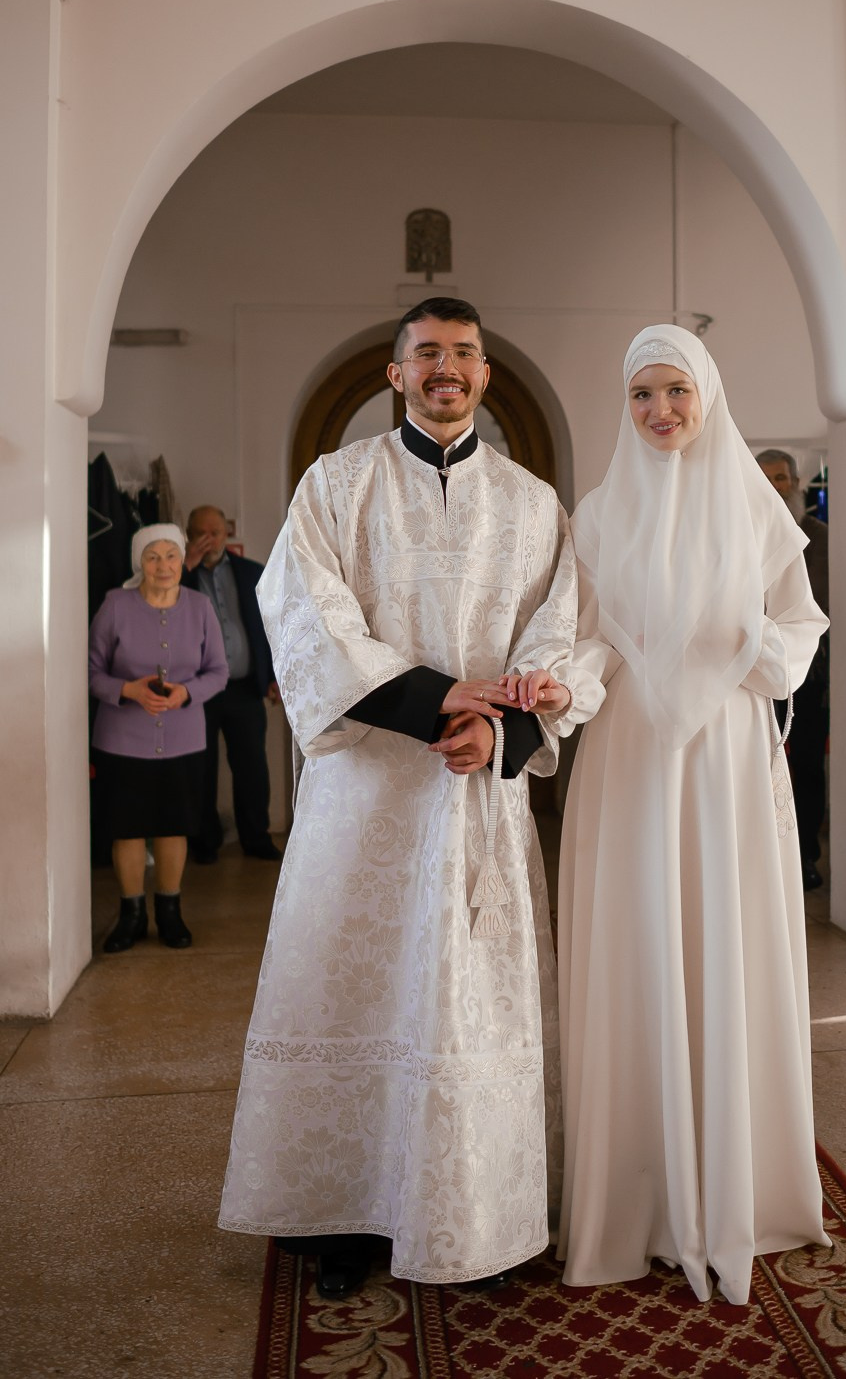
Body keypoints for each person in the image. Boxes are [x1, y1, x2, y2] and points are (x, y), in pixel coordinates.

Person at [218, 297, 600, 1298]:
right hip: (366, 795)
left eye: (463, 354)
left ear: (482, 373)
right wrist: (438, 703)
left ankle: (472, 1212)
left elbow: (558, 633)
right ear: (394, 374)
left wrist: (504, 724)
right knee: (352, 990)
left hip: (476, 801)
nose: (447, 368)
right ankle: (338, 1213)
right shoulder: (335, 486)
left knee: (465, 1003)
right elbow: (306, 618)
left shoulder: (529, 503)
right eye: (426, 353)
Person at [514, 324, 830, 1305]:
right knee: (637, 951)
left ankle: (737, 1186)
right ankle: (637, 1193)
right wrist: (564, 686)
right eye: (642, 394)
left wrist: (751, 646)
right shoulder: (596, 517)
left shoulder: (758, 515)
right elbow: (590, 638)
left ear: (707, 398)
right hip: (628, 763)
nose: (659, 411)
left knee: (721, 947)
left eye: (675, 392)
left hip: (727, 759)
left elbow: (797, 629)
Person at [88, 524, 229, 952]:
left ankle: (170, 911)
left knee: (173, 825)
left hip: (184, 737)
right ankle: (131, 915)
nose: (163, 565)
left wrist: (188, 693)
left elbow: (218, 672)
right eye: (153, 556)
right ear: (139, 563)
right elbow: (91, 670)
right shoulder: (115, 605)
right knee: (126, 829)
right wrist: (127, 690)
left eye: (171, 555)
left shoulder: (201, 606)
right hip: (121, 738)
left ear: (181, 559)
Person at [182, 505, 283, 863]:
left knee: (252, 768)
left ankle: (256, 838)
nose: (211, 539)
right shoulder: (179, 573)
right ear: (190, 534)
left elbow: (269, 630)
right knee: (201, 768)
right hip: (195, 690)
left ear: (227, 534)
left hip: (243, 687)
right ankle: (203, 842)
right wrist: (186, 567)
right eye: (202, 533)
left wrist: (272, 676)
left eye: (217, 532)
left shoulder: (251, 572)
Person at [756, 449, 830, 891]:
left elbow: (815, 605)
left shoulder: (816, 536)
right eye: (764, 478)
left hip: (803, 671)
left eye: (781, 478)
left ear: (796, 483)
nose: (773, 487)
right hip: (747, 668)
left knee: (804, 765)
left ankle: (805, 858)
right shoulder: (741, 528)